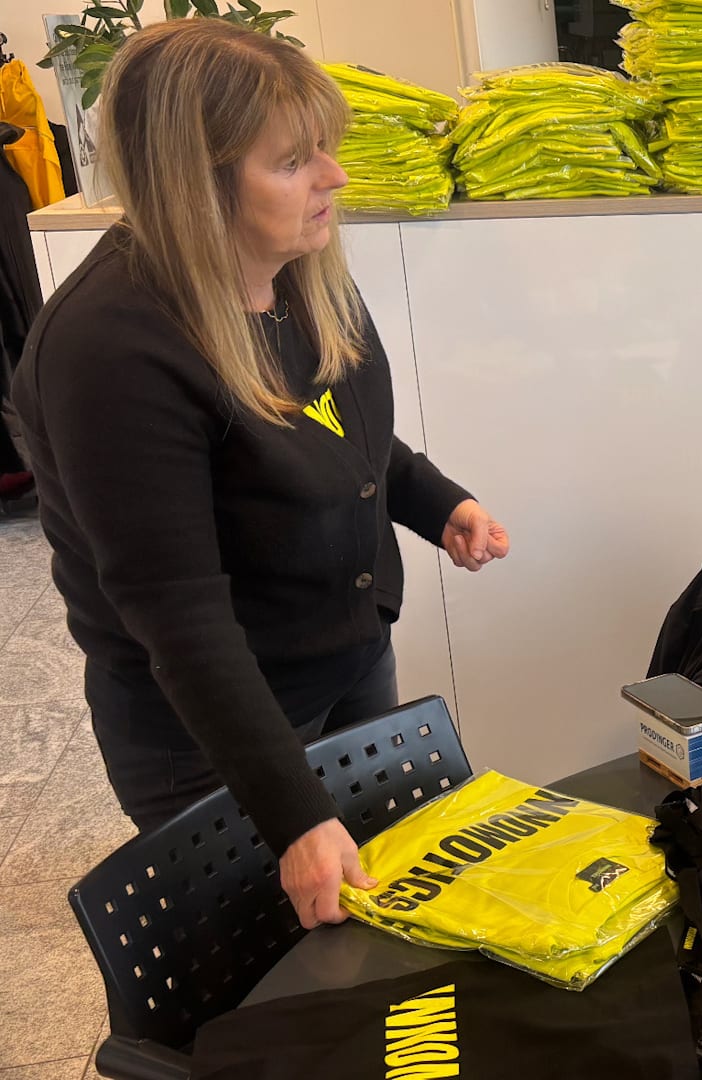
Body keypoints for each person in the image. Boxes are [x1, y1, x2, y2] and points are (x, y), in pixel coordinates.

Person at [12, 21, 510, 929]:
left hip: (346, 657)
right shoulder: (111, 349)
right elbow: (180, 617)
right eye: (293, 161)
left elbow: (342, 437)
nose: (335, 178)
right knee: (270, 977)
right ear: (194, 182)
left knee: (383, 938)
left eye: (327, 148)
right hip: (212, 727)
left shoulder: (298, 272)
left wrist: (438, 502)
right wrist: (295, 815)